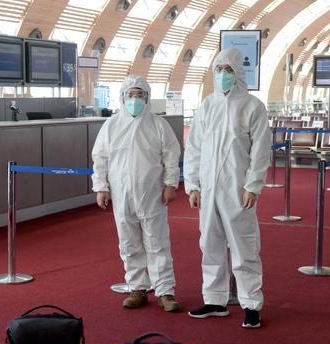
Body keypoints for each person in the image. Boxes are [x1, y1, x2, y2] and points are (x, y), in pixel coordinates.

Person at [184, 48, 271, 328]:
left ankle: (251, 305)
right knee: (209, 244)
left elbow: (261, 150)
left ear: (238, 73)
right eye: (219, 70)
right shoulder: (207, 105)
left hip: (237, 189)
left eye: (228, 70)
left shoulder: (252, 106)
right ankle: (215, 299)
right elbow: (195, 147)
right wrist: (193, 185)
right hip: (208, 189)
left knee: (244, 246)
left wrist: (253, 185)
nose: (223, 75)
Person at [92, 75, 182, 312]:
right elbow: (100, 158)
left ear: (147, 98)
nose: (135, 99)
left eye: (139, 95)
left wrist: (171, 184)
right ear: (122, 97)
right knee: (129, 243)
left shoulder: (158, 125)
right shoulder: (111, 125)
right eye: (130, 95)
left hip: (152, 193)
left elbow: (171, 156)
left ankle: (165, 291)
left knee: (157, 242)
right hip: (122, 195)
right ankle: (137, 288)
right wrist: (101, 187)